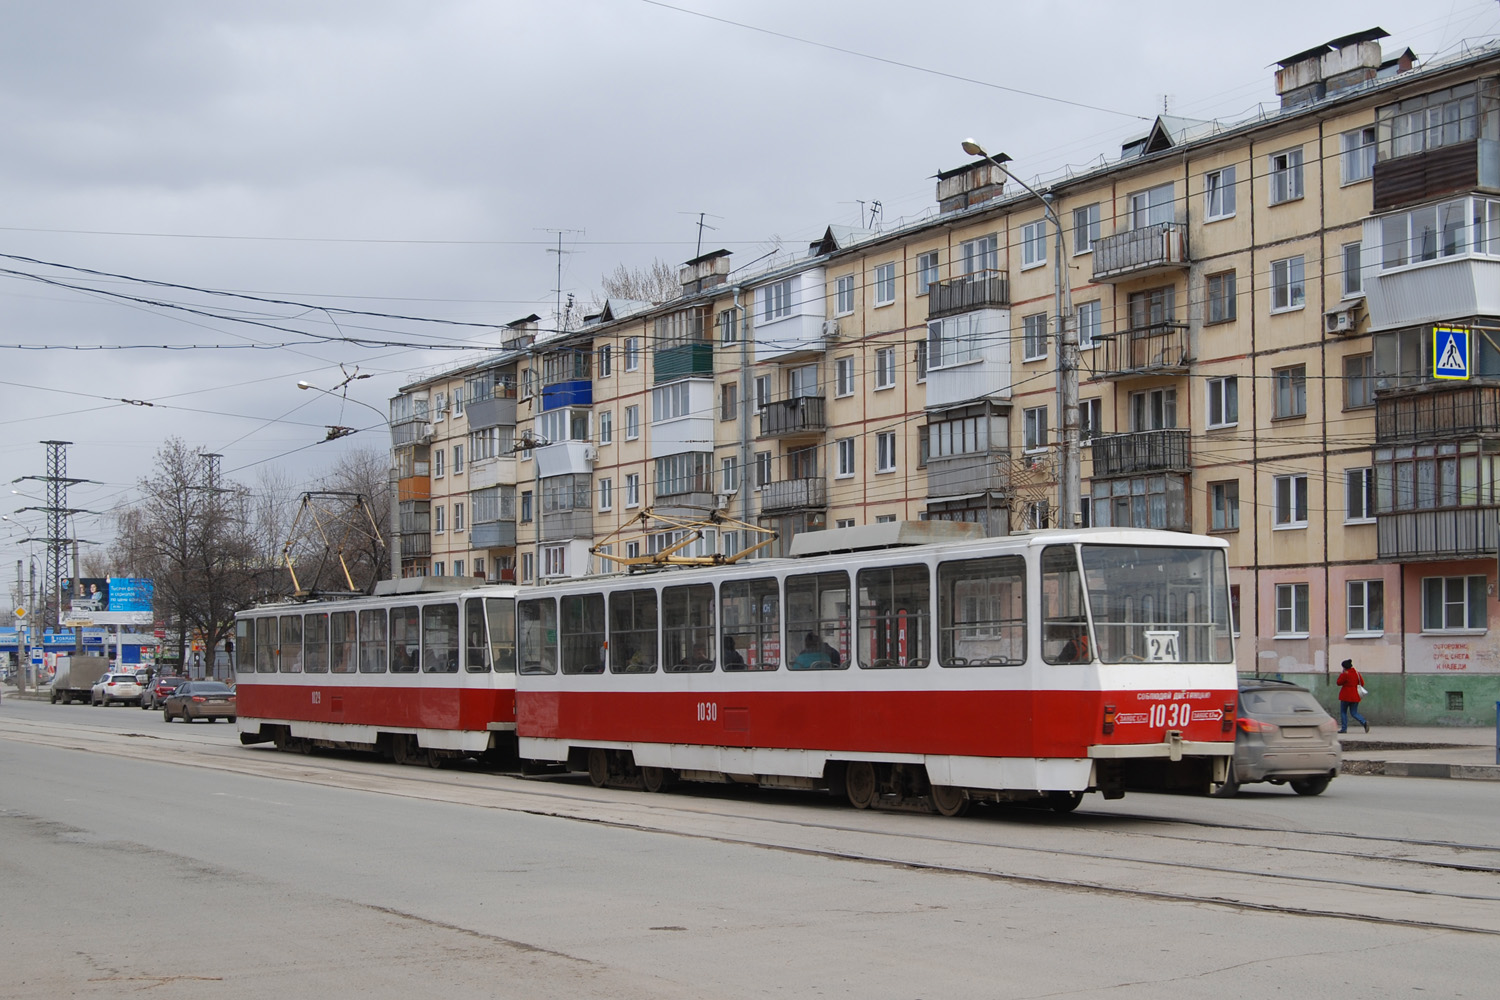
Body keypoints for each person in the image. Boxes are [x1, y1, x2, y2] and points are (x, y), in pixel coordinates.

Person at [1336, 658, 1369, 734]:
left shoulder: (1345, 674)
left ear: (1345, 667)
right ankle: (1364, 722)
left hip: (1345, 696)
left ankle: (1344, 729)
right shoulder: (1357, 673)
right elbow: (1362, 683)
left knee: (1343, 712)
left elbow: (1338, 682)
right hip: (1355, 696)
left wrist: (1342, 674)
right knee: (1354, 713)